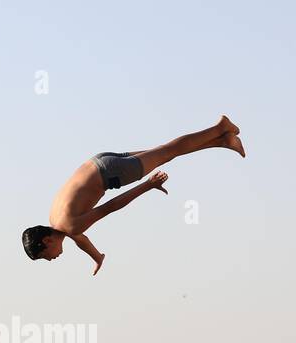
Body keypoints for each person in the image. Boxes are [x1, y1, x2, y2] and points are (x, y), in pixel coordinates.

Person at [21, 116, 244, 274]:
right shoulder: (56, 220)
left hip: (112, 174)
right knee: (164, 151)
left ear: (47, 241)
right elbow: (81, 240)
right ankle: (223, 141)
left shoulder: (69, 226)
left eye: (45, 257)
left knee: (168, 152)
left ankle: (219, 128)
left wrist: (148, 185)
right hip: (99, 161)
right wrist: (97, 257)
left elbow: (112, 206)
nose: (50, 260)